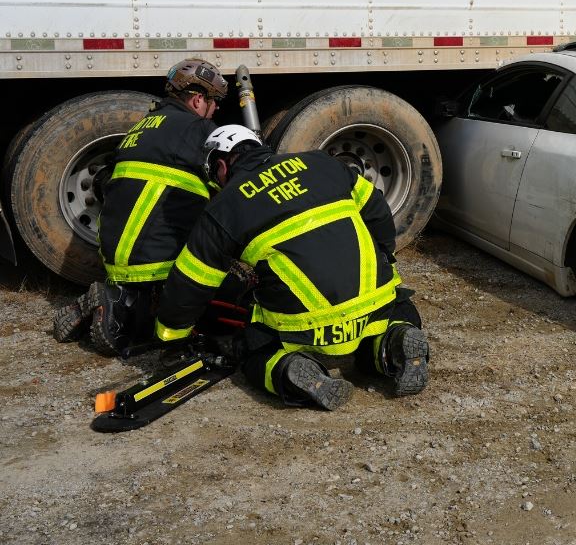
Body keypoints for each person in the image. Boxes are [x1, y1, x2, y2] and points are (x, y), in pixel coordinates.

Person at [154, 124, 430, 410]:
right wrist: (384, 256)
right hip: (373, 300)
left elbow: (189, 282)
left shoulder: (224, 207)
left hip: (305, 322)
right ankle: (394, 342)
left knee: (252, 349)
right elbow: (377, 208)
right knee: (396, 314)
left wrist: (170, 336)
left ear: (221, 165)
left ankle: (288, 367)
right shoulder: (322, 162)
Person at [53, 58, 229, 354]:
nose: (216, 110)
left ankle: (114, 296)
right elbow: (231, 192)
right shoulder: (198, 129)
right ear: (199, 99)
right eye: (215, 102)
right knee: (229, 300)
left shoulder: (141, 129)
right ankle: (119, 309)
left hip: (116, 259)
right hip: (154, 266)